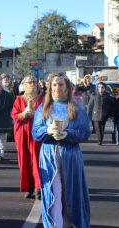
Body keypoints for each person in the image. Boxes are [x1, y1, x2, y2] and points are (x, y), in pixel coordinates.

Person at [32, 72, 91, 228]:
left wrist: (68, 134)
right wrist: (48, 130)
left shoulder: (76, 108)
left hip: (71, 156)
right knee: (54, 192)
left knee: (70, 193)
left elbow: (85, 132)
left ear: (67, 86)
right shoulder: (43, 108)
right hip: (49, 157)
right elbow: (36, 132)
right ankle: (55, 225)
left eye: (61, 84)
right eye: (54, 84)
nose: (57, 87)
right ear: (50, 87)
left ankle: (69, 223)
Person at [11, 75, 44, 200]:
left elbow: (46, 113)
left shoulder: (41, 99)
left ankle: (38, 187)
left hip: (36, 133)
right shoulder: (19, 99)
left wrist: (37, 115)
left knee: (36, 159)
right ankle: (28, 187)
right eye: (29, 82)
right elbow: (14, 115)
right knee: (24, 160)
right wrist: (23, 114)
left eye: (34, 82)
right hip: (22, 133)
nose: (32, 84)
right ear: (24, 85)